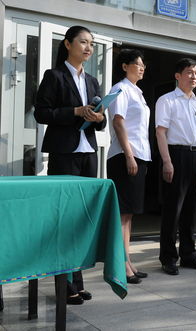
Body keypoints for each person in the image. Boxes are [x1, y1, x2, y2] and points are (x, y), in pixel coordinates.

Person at [34, 25, 106, 305]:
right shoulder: (54, 76)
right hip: (65, 153)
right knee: (64, 221)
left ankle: (77, 281)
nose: (88, 48)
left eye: (91, 44)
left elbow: (98, 115)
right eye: (83, 42)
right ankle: (64, 286)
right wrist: (75, 111)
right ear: (67, 44)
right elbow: (42, 113)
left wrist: (99, 118)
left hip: (88, 152)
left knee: (81, 222)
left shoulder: (92, 80)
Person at [155, 58, 196, 275]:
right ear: (177, 75)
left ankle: (189, 255)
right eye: (189, 72)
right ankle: (168, 257)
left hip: (195, 157)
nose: (194, 76)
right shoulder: (167, 100)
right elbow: (160, 132)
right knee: (173, 209)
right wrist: (167, 161)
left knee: (191, 210)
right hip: (176, 155)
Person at [107, 49, 151, 284]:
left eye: (143, 65)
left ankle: (128, 261)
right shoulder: (120, 88)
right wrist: (129, 156)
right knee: (122, 214)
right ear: (124, 66)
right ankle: (121, 265)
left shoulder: (138, 92)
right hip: (125, 157)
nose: (142, 67)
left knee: (129, 214)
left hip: (138, 156)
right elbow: (118, 122)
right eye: (137, 64)